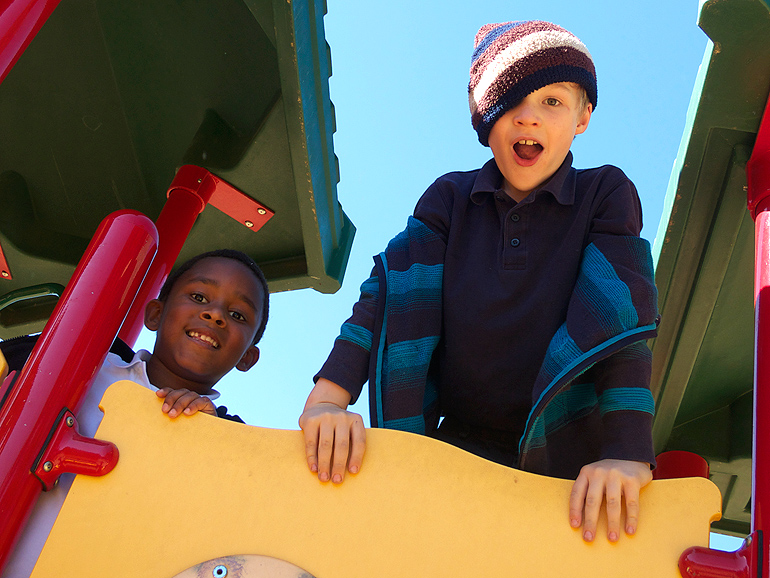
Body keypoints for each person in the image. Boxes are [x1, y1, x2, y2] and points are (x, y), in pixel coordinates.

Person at [299, 20, 659, 545]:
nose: (529, 116)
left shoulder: (603, 193)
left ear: (583, 116)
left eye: (553, 102)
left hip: (563, 460)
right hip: (454, 444)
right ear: (485, 119)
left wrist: (626, 454)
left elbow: (620, 317)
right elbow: (389, 290)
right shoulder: (451, 198)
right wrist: (329, 399)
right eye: (510, 101)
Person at [3, 249, 270, 578]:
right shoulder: (85, 358)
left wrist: (211, 436)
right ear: (155, 314)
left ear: (248, 358)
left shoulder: (231, 438)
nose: (215, 315)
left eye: (238, 315)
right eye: (199, 296)